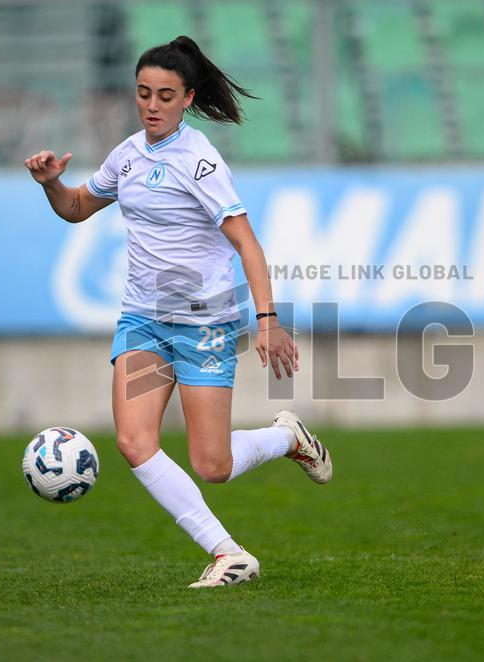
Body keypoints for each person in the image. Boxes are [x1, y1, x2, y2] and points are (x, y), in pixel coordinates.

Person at [25, 36, 332, 589]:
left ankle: (288, 439)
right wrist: (52, 184)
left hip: (205, 323)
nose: (152, 105)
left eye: (165, 95)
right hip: (143, 319)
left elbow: (249, 245)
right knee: (133, 441)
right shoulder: (126, 156)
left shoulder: (201, 162)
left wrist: (266, 320)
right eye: (144, 93)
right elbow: (75, 208)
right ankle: (228, 553)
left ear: (188, 98)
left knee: (212, 465)